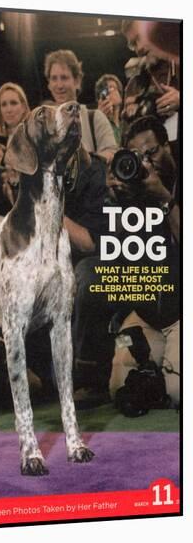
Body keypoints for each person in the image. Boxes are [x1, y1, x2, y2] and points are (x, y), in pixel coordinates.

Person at [107, 116, 179, 408]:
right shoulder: (134, 194)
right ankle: (155, 373)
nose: (147, 163)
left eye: (152, 153)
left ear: (169, 147)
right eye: (137, 158)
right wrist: (118, 202)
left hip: (182, 315)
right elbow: (120, 258)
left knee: (179, 393)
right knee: (119, 388)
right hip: (146, 316)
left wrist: (164, 199)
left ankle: (163, 376)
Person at [44, 49, 117, 164]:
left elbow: (112, 153)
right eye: (54, 78)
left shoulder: (95, 118)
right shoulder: (43, 124)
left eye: (64, 78)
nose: (59, 85)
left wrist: (80, 164)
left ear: (77, 81)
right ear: (49, 84)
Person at [120, 19, 180, 160]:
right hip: (155, 166)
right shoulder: (134, 85)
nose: (140, 47)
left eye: (141, 37)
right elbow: (127, 140)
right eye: (133, 43)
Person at [95, 74, 124, 146]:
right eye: (105, 90)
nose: (109, 92)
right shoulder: (96, 124)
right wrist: (98, 120)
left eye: (112, 88)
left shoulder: (126, 124)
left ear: (120, 96)